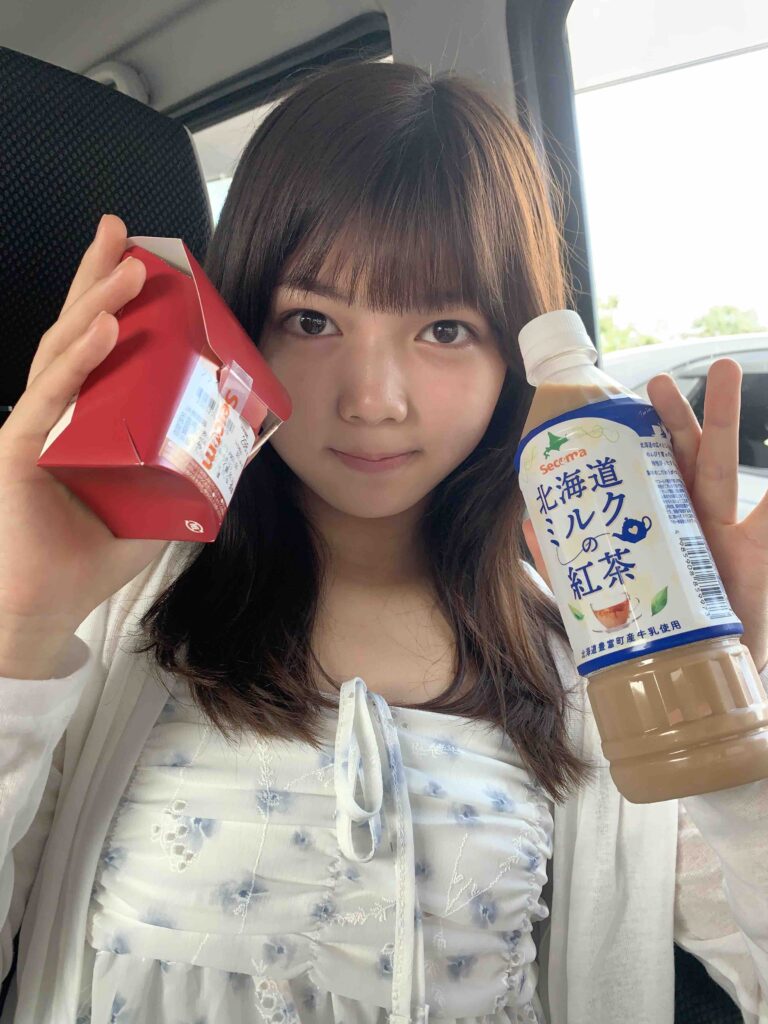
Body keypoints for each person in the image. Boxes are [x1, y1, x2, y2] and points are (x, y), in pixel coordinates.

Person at [0, 60, 766, 1024]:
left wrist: (731, 686)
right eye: (311, 319)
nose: (373, 400)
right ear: (241, 328)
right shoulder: (104, 610)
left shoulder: (590, 663)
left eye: (444, 329)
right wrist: (18, 627)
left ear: (517, 356)